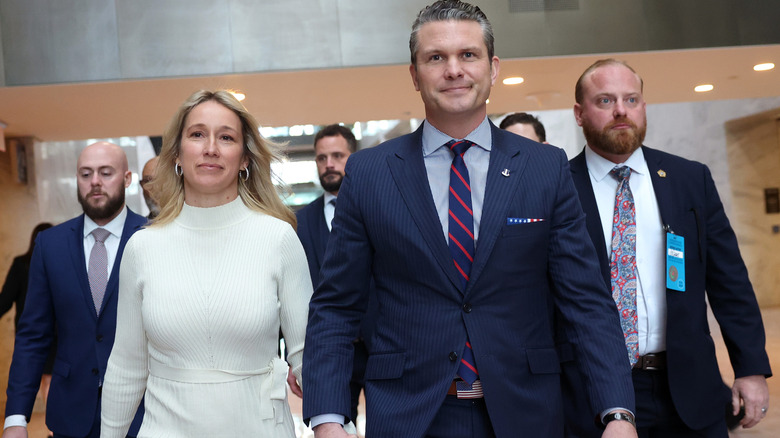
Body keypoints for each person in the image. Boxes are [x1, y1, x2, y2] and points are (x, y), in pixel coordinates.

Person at [302, 2, 637, 437]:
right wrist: (327, 417)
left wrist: (617, 412)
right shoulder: (369, 173)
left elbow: (586, 301)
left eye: (468, 54)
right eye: (435, 57)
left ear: (493, 68)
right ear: (414, 74)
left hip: (526, 413)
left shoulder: (544, 168)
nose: (453, 70)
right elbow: (336, 306)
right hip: (410, 416)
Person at [563, 58, 772, 437]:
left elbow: (729, 280)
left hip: (690, 390)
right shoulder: (559, 186)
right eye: (605, 100)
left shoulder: (689, 179)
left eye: (631, 99)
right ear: (579, 113)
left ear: (644, 106)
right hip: (594, 395)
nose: (621, 110)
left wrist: (750, 367)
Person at [99, 90, 313, 437]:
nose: (211, 148)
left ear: (244, 159)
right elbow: (127, 366)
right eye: (197, 134)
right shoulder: (143, 247)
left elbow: (308, 356)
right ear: (177, 153)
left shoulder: (278, 238)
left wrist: (332, 421)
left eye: (226, 137)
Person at [3, 142, 146, 438]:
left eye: (106, 172)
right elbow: (33, 335)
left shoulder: (153, 236)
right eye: (85, 174)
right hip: (70, 415)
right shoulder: (50, 245)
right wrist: (15, 417)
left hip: (143, 413)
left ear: (127, 179)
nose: (95, 181)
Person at [296, 124, 368, 430]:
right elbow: (293, 291)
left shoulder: (375, 209)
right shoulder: (299, 221)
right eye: (321, 158)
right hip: (330, 351)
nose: (329, 164)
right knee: (332, 427)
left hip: (380, 346)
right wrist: (294, 358)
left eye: (337, 156)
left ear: (353, 157)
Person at [0, 223, 54, 437]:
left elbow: (5, 300)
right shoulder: (56, 264)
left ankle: (52, 428)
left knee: (44, 379)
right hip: (56, 332)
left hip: (31, 333)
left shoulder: (21, 264)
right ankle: (52, 428)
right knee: (49, 379)